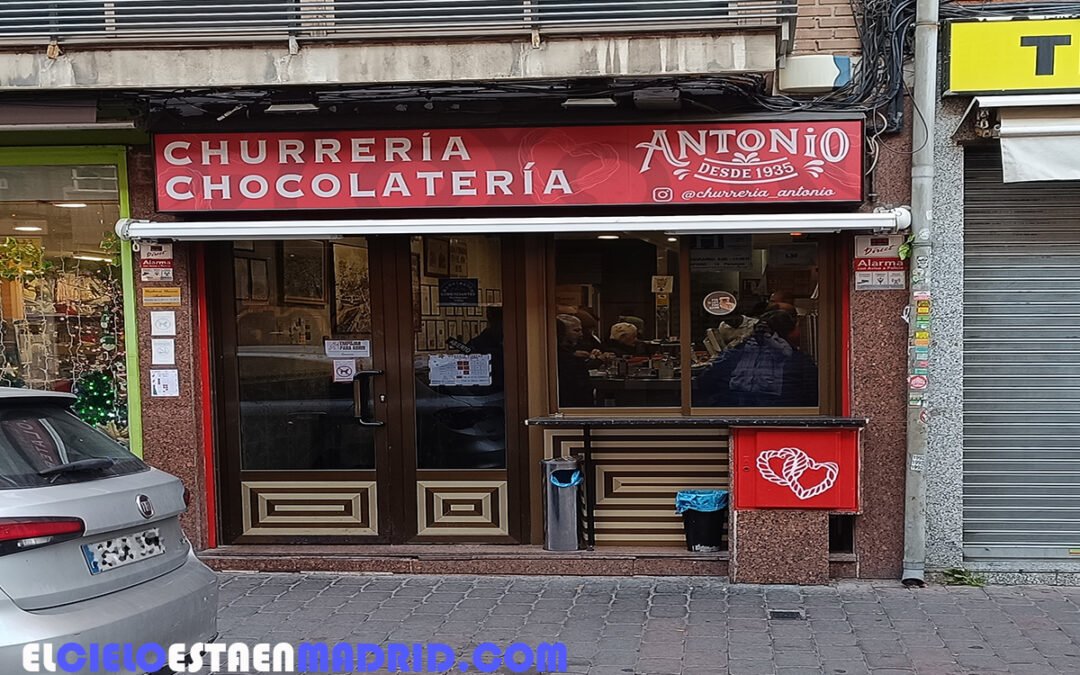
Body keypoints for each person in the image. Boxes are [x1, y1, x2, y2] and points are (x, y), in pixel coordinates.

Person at [693, 310, 817, 407]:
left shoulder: (738, 352)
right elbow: (813, 398)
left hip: (733, 413)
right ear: (791, 333)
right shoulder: (800, 361)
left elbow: (706, 380)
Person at [556, 314, 594, 407]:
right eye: (576, 330)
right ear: (562, 332)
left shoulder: (576, 350)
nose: (581, 334)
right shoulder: (561, 356)